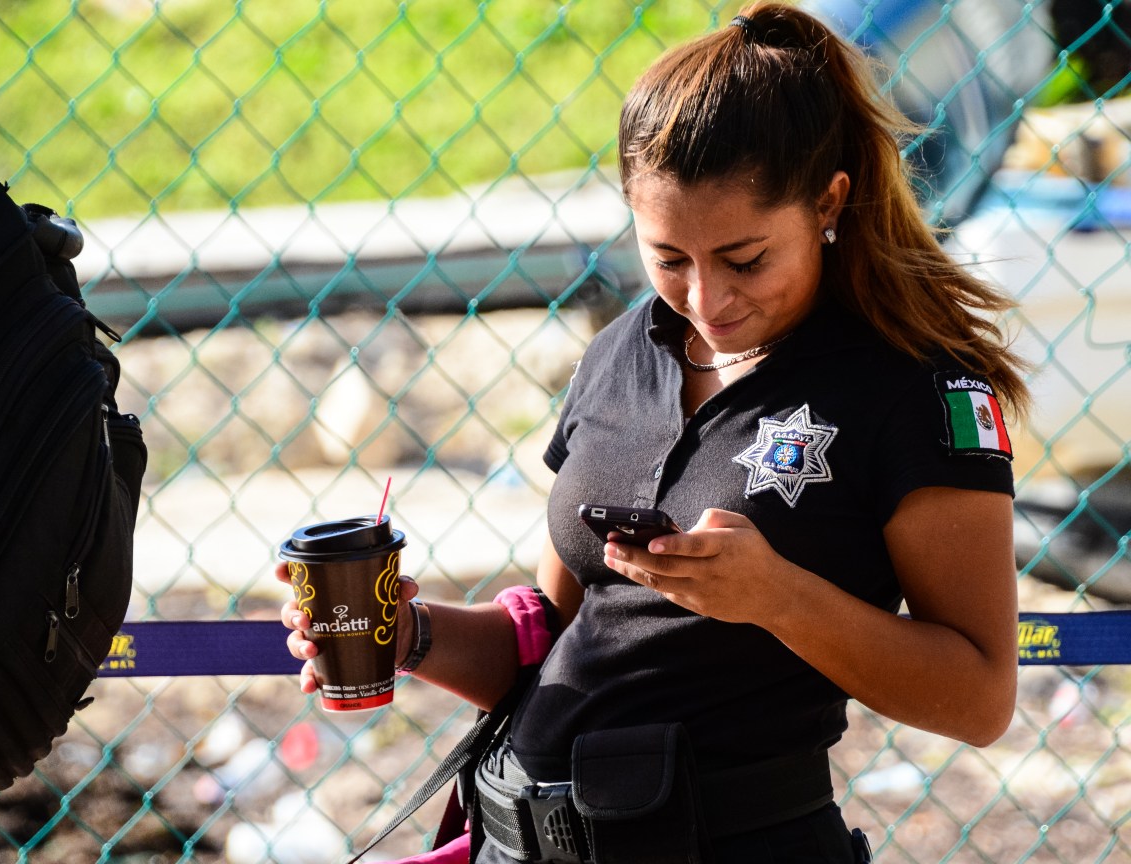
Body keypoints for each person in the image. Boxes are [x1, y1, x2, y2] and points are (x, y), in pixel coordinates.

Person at [279, 3, 1029, 861]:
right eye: (669, 258)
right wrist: (407, 635)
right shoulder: (621, 352)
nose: (706, 300)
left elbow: (980, 699)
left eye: (745, 260)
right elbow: (553, 644)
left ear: (828, 201)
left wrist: (777, 597)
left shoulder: (912, 385)